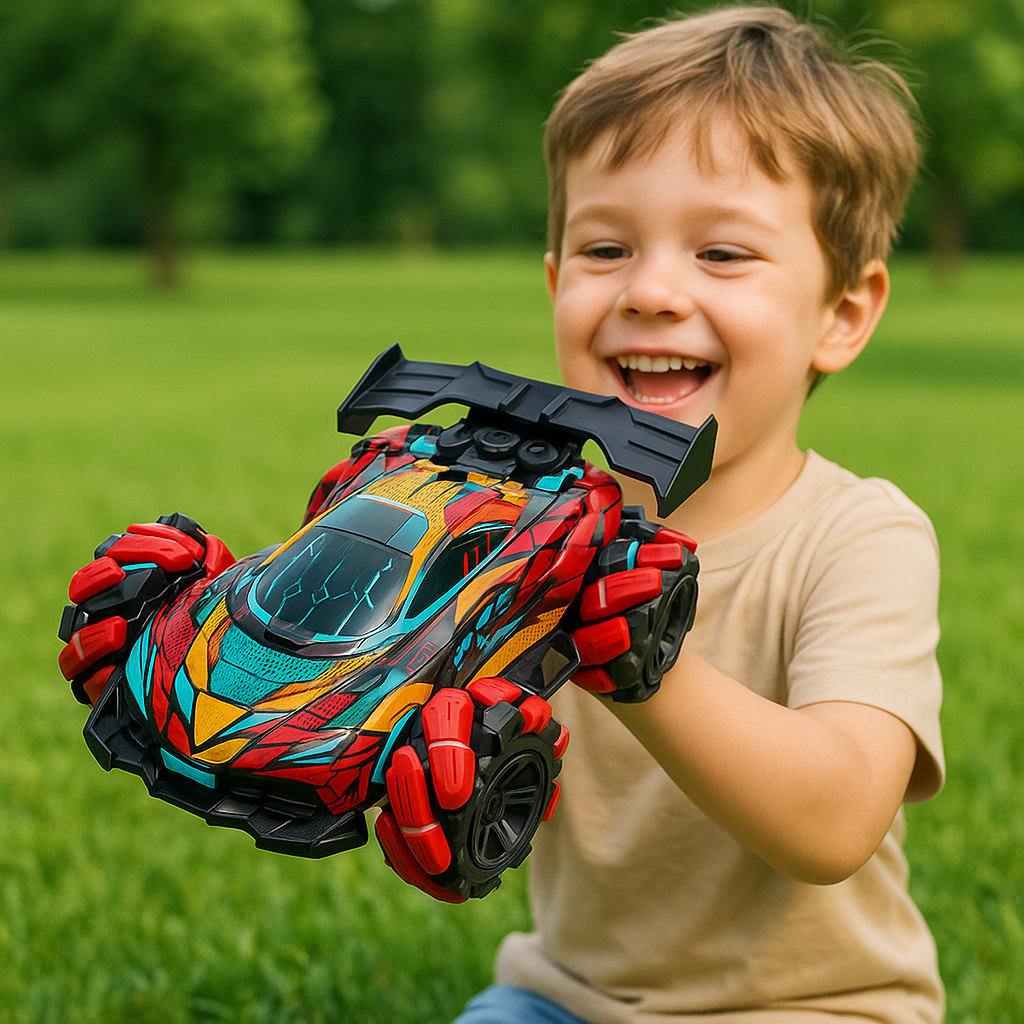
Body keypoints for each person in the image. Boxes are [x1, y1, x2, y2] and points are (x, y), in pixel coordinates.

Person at [450, 5, 945, 1023]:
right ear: (553, 284)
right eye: (604, 249)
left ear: (841, 315)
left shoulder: (858, 538)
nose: (651, 291)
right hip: (565, 1001)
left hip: (816, 1009)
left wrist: (626, 646)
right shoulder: (516, 521)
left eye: (721, 254)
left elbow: (836, 816)